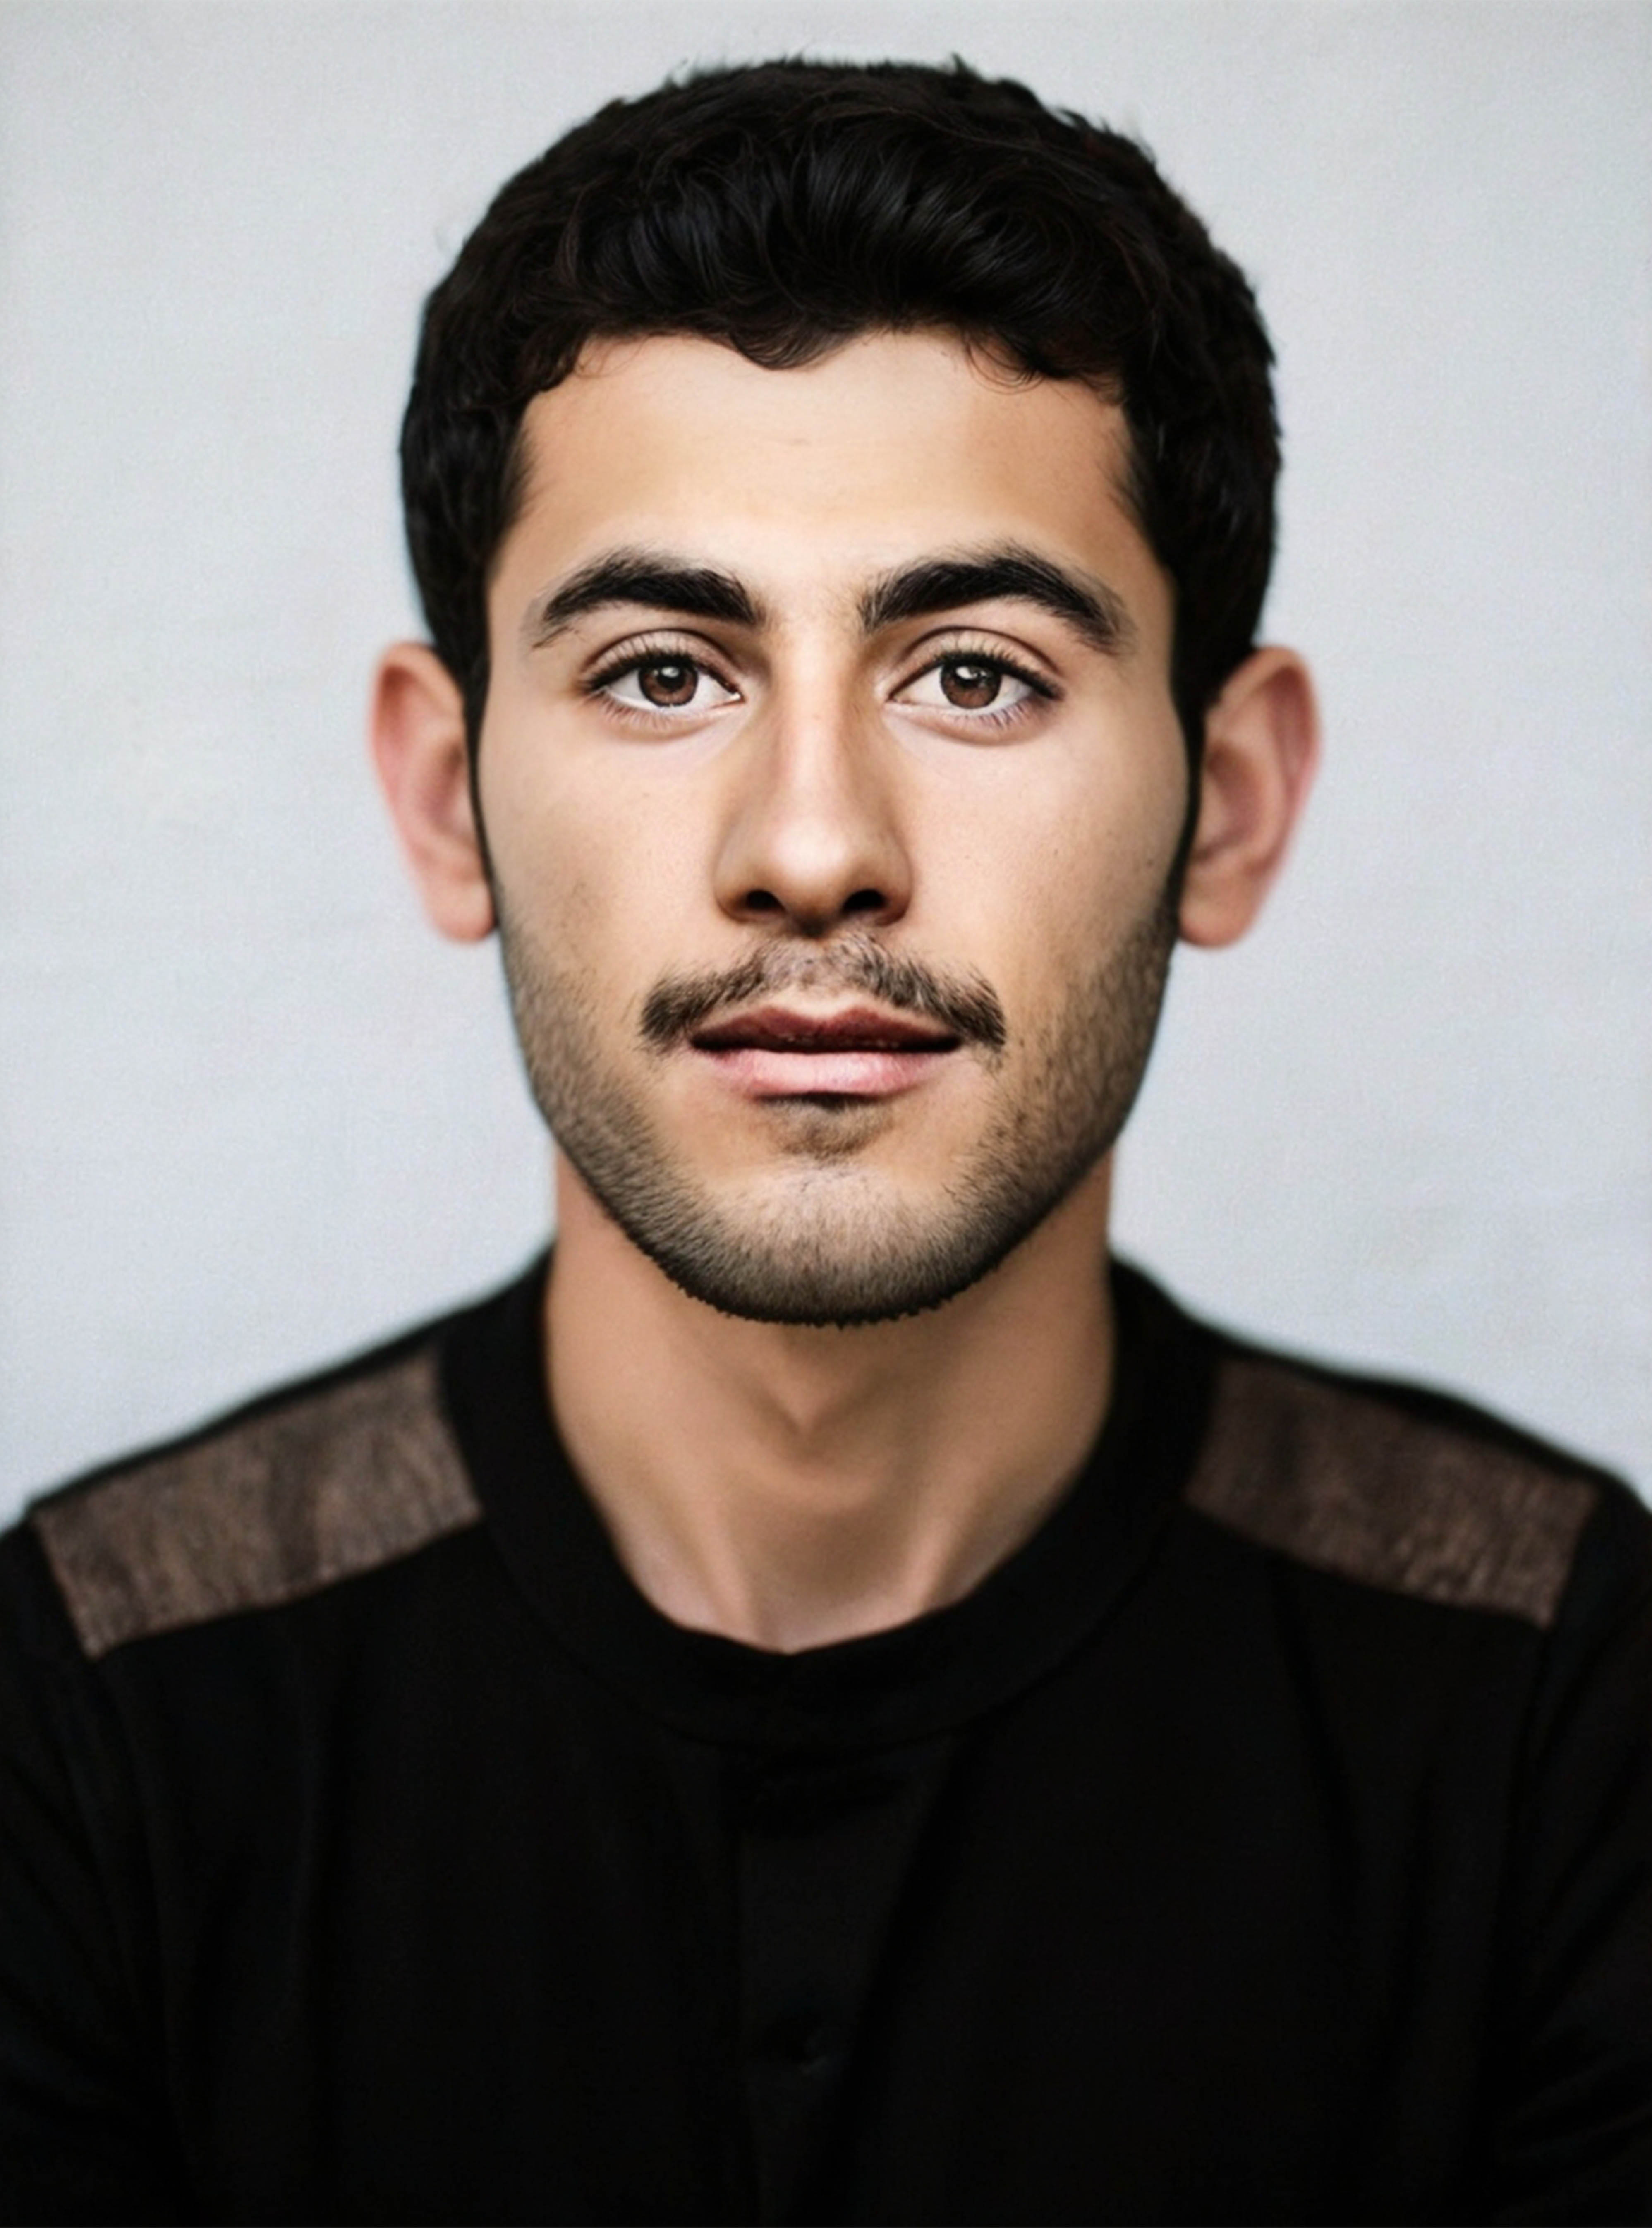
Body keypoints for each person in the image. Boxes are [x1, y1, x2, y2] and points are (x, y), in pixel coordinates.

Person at [1, 55, 1646, 2228]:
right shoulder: (96, 1704)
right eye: (662, 672)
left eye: (975, 674)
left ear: (1228, 807)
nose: (809, 847)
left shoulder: (1557, 1696)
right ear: (442, 793)